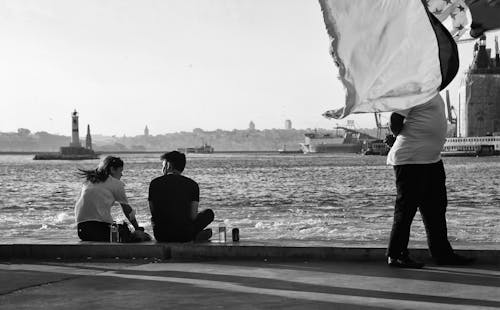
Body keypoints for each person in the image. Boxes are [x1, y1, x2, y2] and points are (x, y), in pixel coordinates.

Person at [385, 93, 475, 268]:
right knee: (406, 209)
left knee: (436, 209)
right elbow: (395, 119)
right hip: (411, 159)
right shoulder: (416, 89)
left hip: (432, 159)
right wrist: (401, 138)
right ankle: (396, 255)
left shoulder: (433, 92)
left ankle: (442, 254)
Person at [75, 156, 148, 242]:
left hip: (82, 232)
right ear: (112, 169)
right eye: (120, 171)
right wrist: (137, 228)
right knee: (143, 237)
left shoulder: (89, 181)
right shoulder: (116, 184)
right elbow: (127, 210)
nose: (122, 174)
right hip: (100, 231)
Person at [148, 151, 214, 242]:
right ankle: (195, 236)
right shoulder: (192, 185)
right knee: (209, 213)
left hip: (161, 235)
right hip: (184, 235)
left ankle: (196, 235)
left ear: (168, 165)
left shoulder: (154, 183)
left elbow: (153, 212)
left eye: (163, 165)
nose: (162, 168)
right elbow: (193, 216)